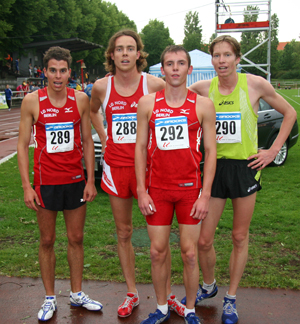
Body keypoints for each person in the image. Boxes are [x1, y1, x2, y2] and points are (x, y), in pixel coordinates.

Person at [181, 35, 297, 324]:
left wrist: (272, 151)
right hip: (215, 168)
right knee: (204, 240)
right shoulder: (204, 88)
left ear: (237, 58)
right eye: (216, 55)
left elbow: (290, 113)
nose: (221, 61)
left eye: (227, 55)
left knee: (239, 236)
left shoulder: (255, 84)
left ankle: (231, 298)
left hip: (245, 167)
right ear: (211, 59)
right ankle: (209, 286)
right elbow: (172, 94)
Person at [90, 29, 185, 318]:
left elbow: (178, 102)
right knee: (124, 232)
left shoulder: (153, 84)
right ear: (111, 54)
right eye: (119, 49)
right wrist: (105, 137)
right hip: (116, 169)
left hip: (150, 171)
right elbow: (93, 111)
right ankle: (131, 292)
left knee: (160, 238)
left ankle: (167, 295)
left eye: (130, 48)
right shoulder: (101, 87)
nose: (125, 54)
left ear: (139, 54)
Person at [17, 46, 103, 322]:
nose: (57, 75)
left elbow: (88, 141)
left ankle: (77, 294)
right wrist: (26, 186)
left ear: (69, 72)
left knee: (76, 239)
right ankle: (50, 297)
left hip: (75, 181)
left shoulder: (80, 100)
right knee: (47, 240)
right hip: (46, 182)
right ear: (45, 71)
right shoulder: (32, 101)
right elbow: (21, 146)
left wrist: (91, 179)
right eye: (52, 70)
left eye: (63, 70)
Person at [135, 45, 217, 324]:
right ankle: (160, 308)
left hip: (189, 191)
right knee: (158, 252)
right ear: (162, 69)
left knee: (190, 253)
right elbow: (140, 148)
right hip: (157, 189)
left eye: (180, 63)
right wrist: (141, 189)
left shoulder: (203, 105)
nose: (175, 68)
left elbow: (211, 151)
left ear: (189, 69)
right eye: (169, 64)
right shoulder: (147, 103)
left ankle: (191, 309)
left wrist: (205, 195)